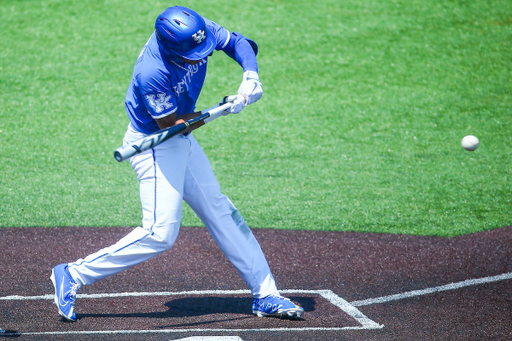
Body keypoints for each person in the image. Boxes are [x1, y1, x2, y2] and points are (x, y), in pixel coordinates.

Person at [50, 6, 304, 322]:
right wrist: (224, 108)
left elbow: (240, 43)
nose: (202, 57)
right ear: (172, 48)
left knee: (221, 210)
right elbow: (172, 125)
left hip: (180, 138)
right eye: (194, 55)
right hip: (156, 145)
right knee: (159, 234)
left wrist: (250, 76)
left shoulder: (196, 31)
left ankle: (266, 294)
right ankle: (72, 274)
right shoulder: (152, 73)